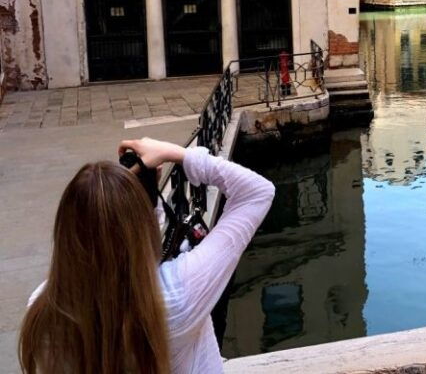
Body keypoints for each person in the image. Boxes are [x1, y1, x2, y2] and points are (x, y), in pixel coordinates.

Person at [18, 137, 275, 374]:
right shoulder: (178, 295)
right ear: (142, 222)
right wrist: (177, 154)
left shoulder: (44, 310)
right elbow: (256, 192)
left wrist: (142, 203)